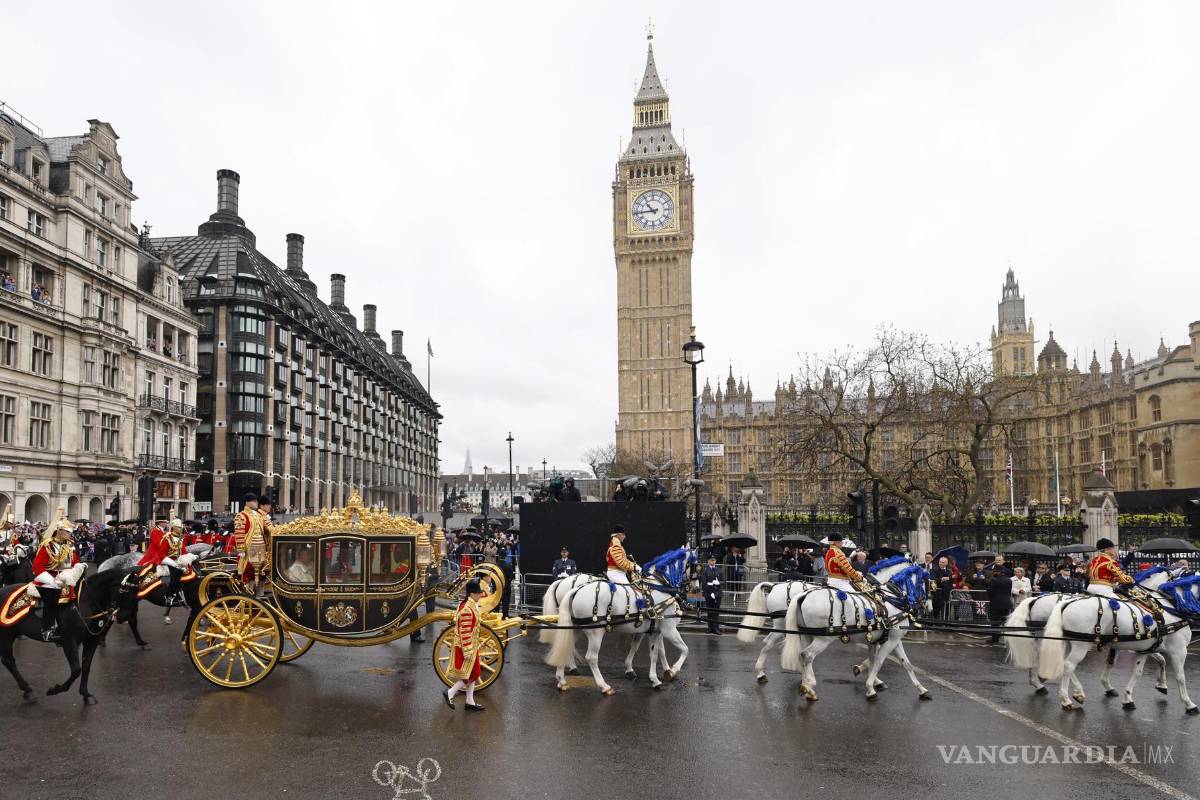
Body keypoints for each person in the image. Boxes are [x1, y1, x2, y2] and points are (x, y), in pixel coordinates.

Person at [32, 517, 78, 641]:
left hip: (67, 578)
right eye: (67, 532)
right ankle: (47, 629)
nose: (70, 534)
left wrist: (80, 567)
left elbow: (75, 562)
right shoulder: (47, 545)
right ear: (60, 531)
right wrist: (53, 582)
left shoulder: (69, 546)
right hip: (49, 579)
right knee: (52, 598)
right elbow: (37, 567)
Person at [443, 579, 486, 711]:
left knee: (473, 673)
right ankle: (450, 692)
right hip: (467, 647)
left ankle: (469, 701)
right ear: (472, 594)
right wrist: (468, 650)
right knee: (473, 674)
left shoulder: (467, 604)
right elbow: (465, 632)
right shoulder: (467, 609)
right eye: (478, 593)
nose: (480, 595)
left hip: (471, 646)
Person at [138, 517, 194, 597]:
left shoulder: (166, 532)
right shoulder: (155, 531)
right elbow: (159, 544)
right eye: (164, 522)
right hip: (156, 552)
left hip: (168, 553)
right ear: (159, 523)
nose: (166, 524)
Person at [233, 492, 268, 593]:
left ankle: (260, 592)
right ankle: (249, 593)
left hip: (261, 547)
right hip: (250, 548)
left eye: (256, 501)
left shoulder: (258, 515)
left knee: (262, 571)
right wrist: (241, 550)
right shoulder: (241, 516)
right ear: (247, 502)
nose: (256, 503)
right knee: (249, 572)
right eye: (254, 501)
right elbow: (239, 534)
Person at [986, 568, 1013, 643]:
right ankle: (1005, 638)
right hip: (1006, 603)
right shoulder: (1009, 580)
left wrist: (988, 591)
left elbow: (991, 592)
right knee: (1004, 622)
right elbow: (1009, 592)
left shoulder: (994, 580)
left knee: (994, 622)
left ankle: (995, 639)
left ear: (997, 572)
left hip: (996, 604)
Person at [700, 554, 723, 634]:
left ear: (715, 561)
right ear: (708, 561)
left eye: (714, 560)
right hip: (709, 594)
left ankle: (716, 628)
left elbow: (724, 581)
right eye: (711, 560)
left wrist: (719, 582)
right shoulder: (705, 571)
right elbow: (704, 583)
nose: (712, 562)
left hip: (718, 593)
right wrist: (710, 593)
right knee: (710, 611)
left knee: (716, 611)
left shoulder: (719, 570)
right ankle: (710, 628)